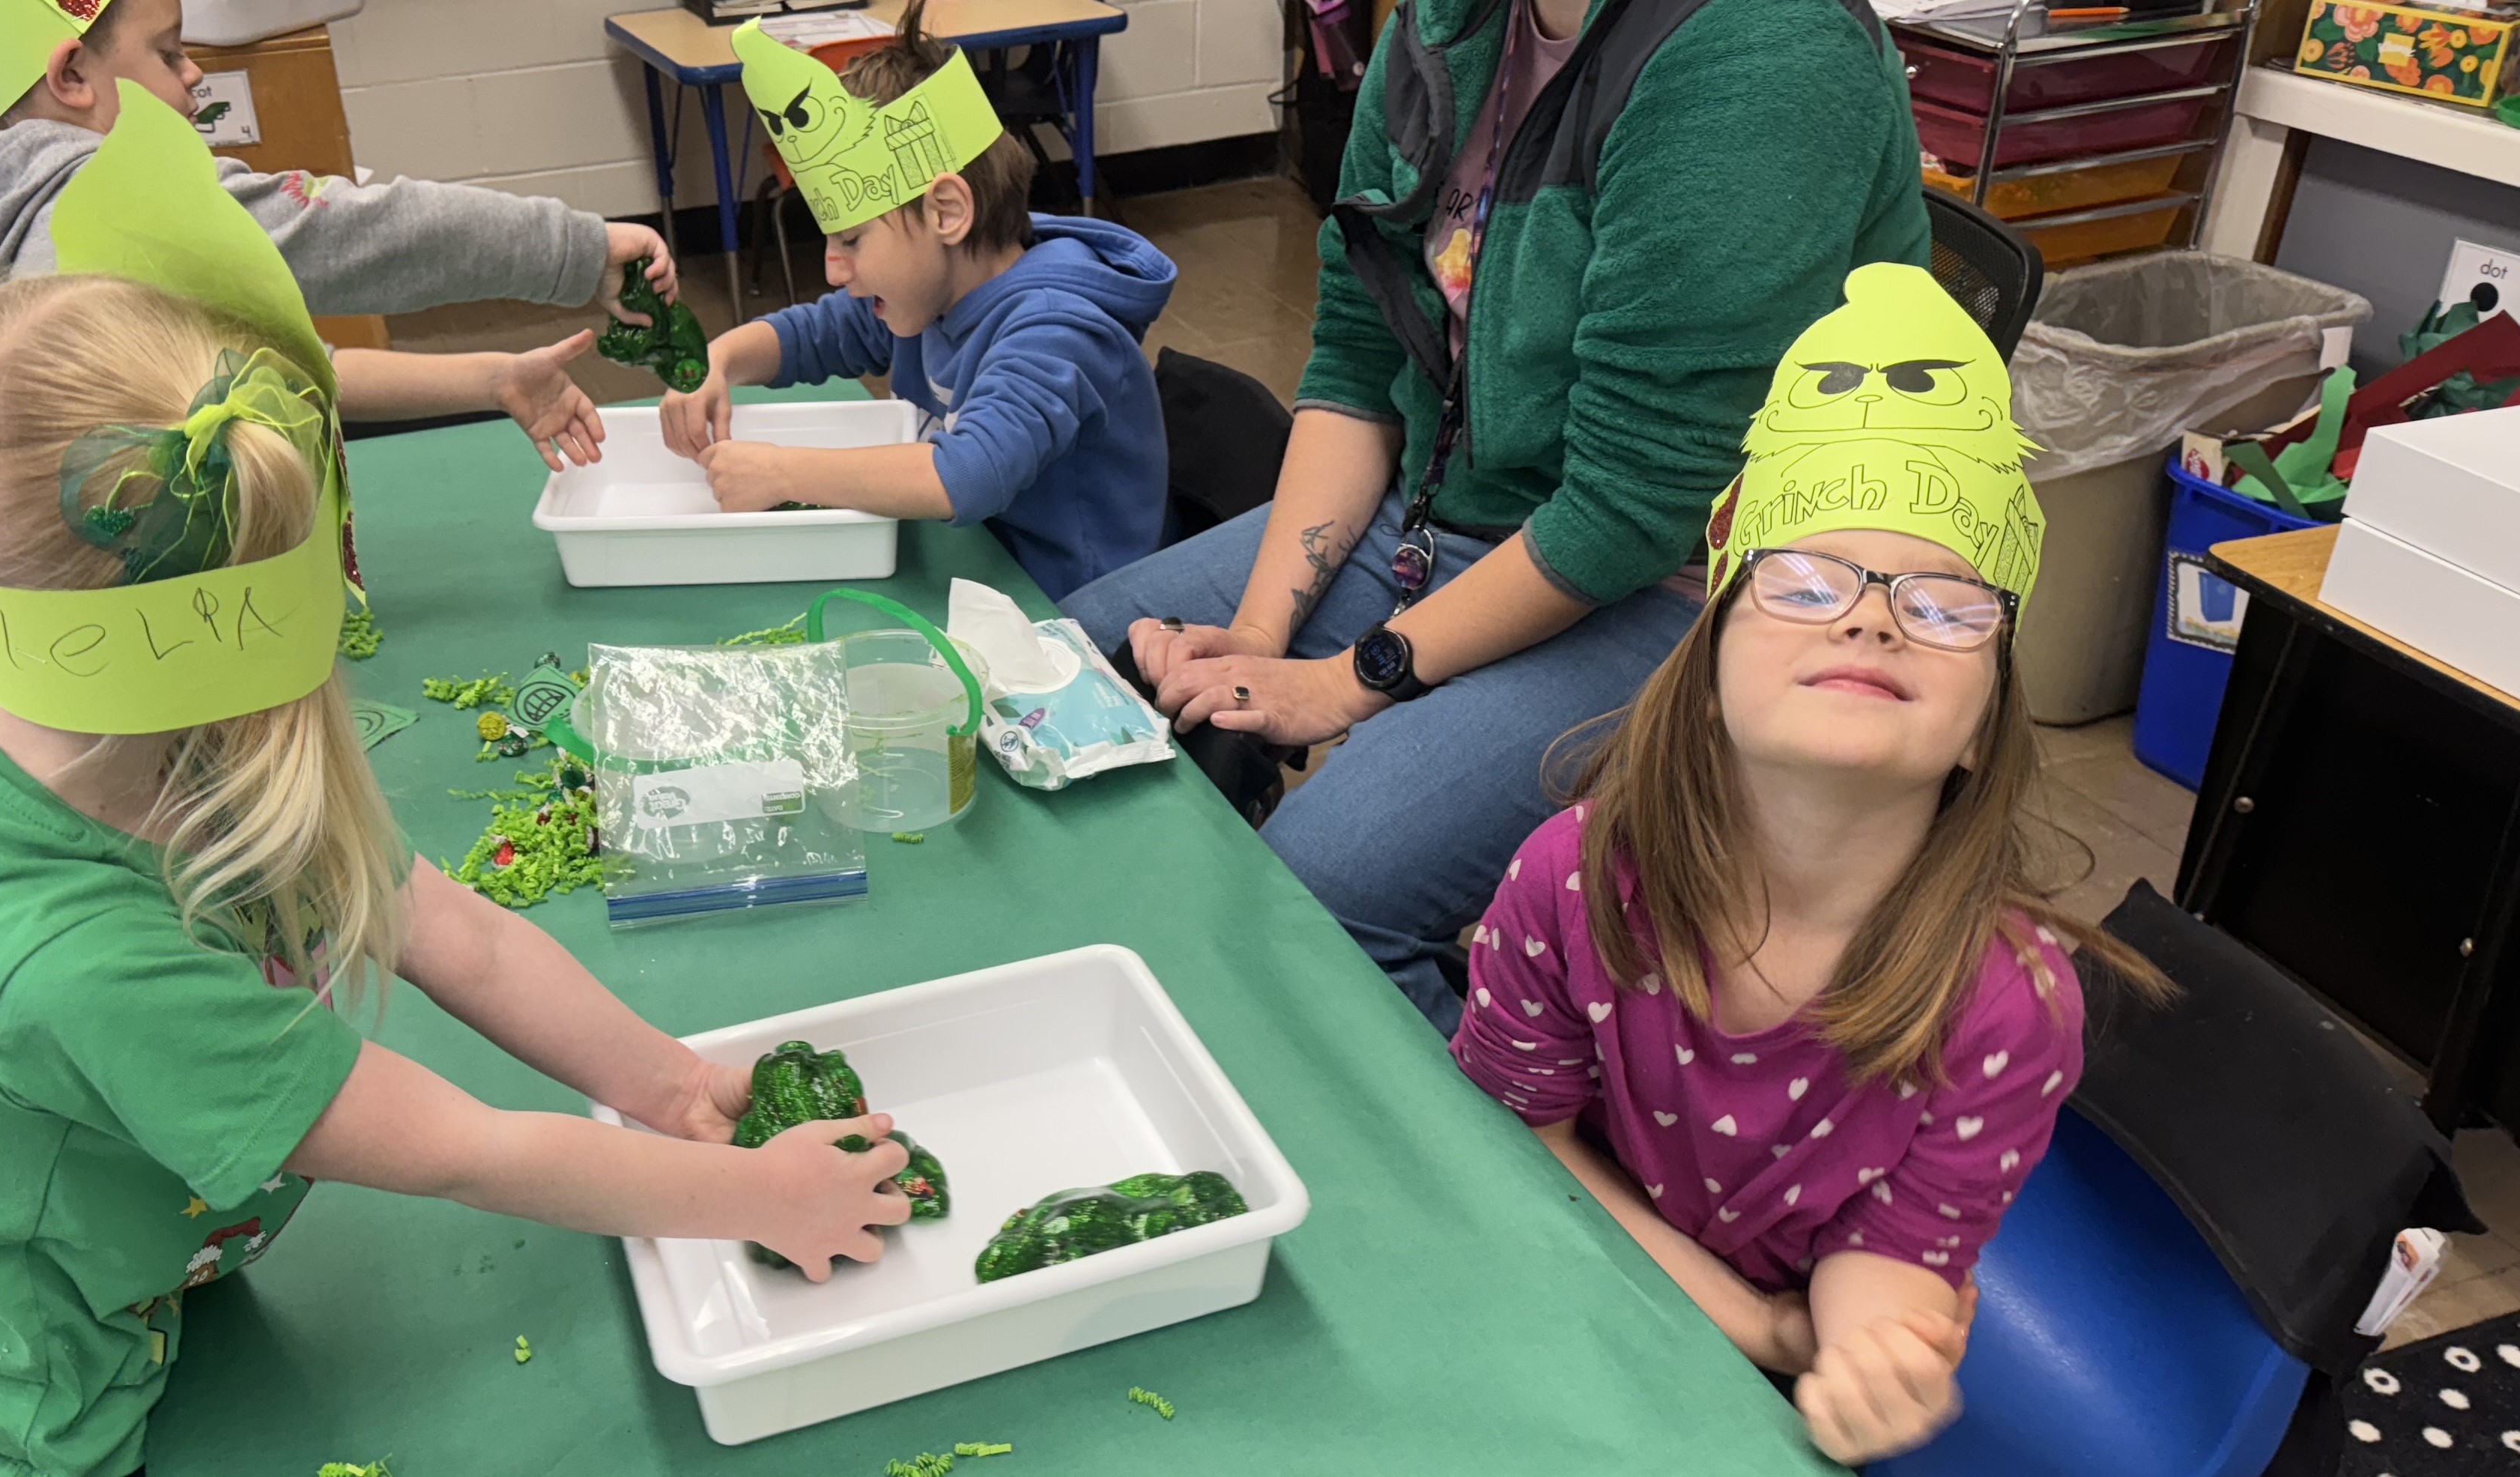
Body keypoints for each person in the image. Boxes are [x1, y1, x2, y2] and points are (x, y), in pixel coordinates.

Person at [0, 115, 910, 1477]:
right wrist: (759, 1193)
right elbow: (460, 1148)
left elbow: (448, 925)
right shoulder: (63, 952)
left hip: (138, 1261)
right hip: (22, 1392)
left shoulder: (134, 729)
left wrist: (673, 1081)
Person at [1061, 0, 1928, 1031]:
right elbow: (1357, 355)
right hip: (1465, 511)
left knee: (1326, 892)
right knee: (1071, 667)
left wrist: (1349, 679)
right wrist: (1258, 634)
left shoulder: (1765, 50)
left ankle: (1487, 1161)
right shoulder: (1448, 23)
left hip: (1697, 588)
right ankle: (1196, 995)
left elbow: (1634, 502)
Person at [1450, 265, 2173, 1464]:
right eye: (1801, 581)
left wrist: (1868, 1351)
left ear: (1989, 718)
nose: (1871, 617)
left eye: (1946, 604)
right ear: (1708, 659)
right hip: (1571, 1268)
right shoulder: (1573, 878)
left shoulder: (2011, 1004)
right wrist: (1757, 1323)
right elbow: (1518, 1143)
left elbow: (1888, 1266)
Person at [659, 10, 1175, 601]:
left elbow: (967, 475)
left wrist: (780, 473)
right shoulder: (926, 292)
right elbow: (816, 334)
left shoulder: (1056, 329)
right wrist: (717, 360)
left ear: (947, 213)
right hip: (972, 563)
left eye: (852, 240)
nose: (832, 268)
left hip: (1071, 610)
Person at [0, 0, 673, 325]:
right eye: (168, 54)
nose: (192, 76)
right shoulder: (130, 205)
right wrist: (580, 250)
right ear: (72, 78)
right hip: (133, 625)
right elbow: (367, 231)